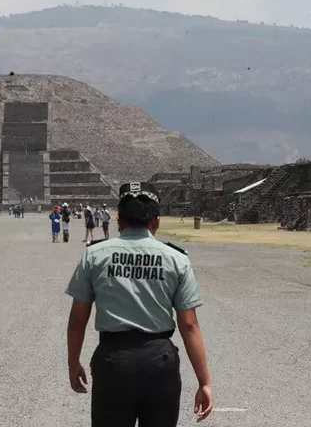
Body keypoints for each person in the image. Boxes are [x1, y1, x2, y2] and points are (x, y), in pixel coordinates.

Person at [65, 181, 213, 427]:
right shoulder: (176, 259)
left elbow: (78, 318)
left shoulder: (95, 255)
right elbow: (189, 325)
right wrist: (204, 381)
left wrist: (73, 363)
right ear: (156, 220)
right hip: (159, 362)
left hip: (113, 361)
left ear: (119, 219)